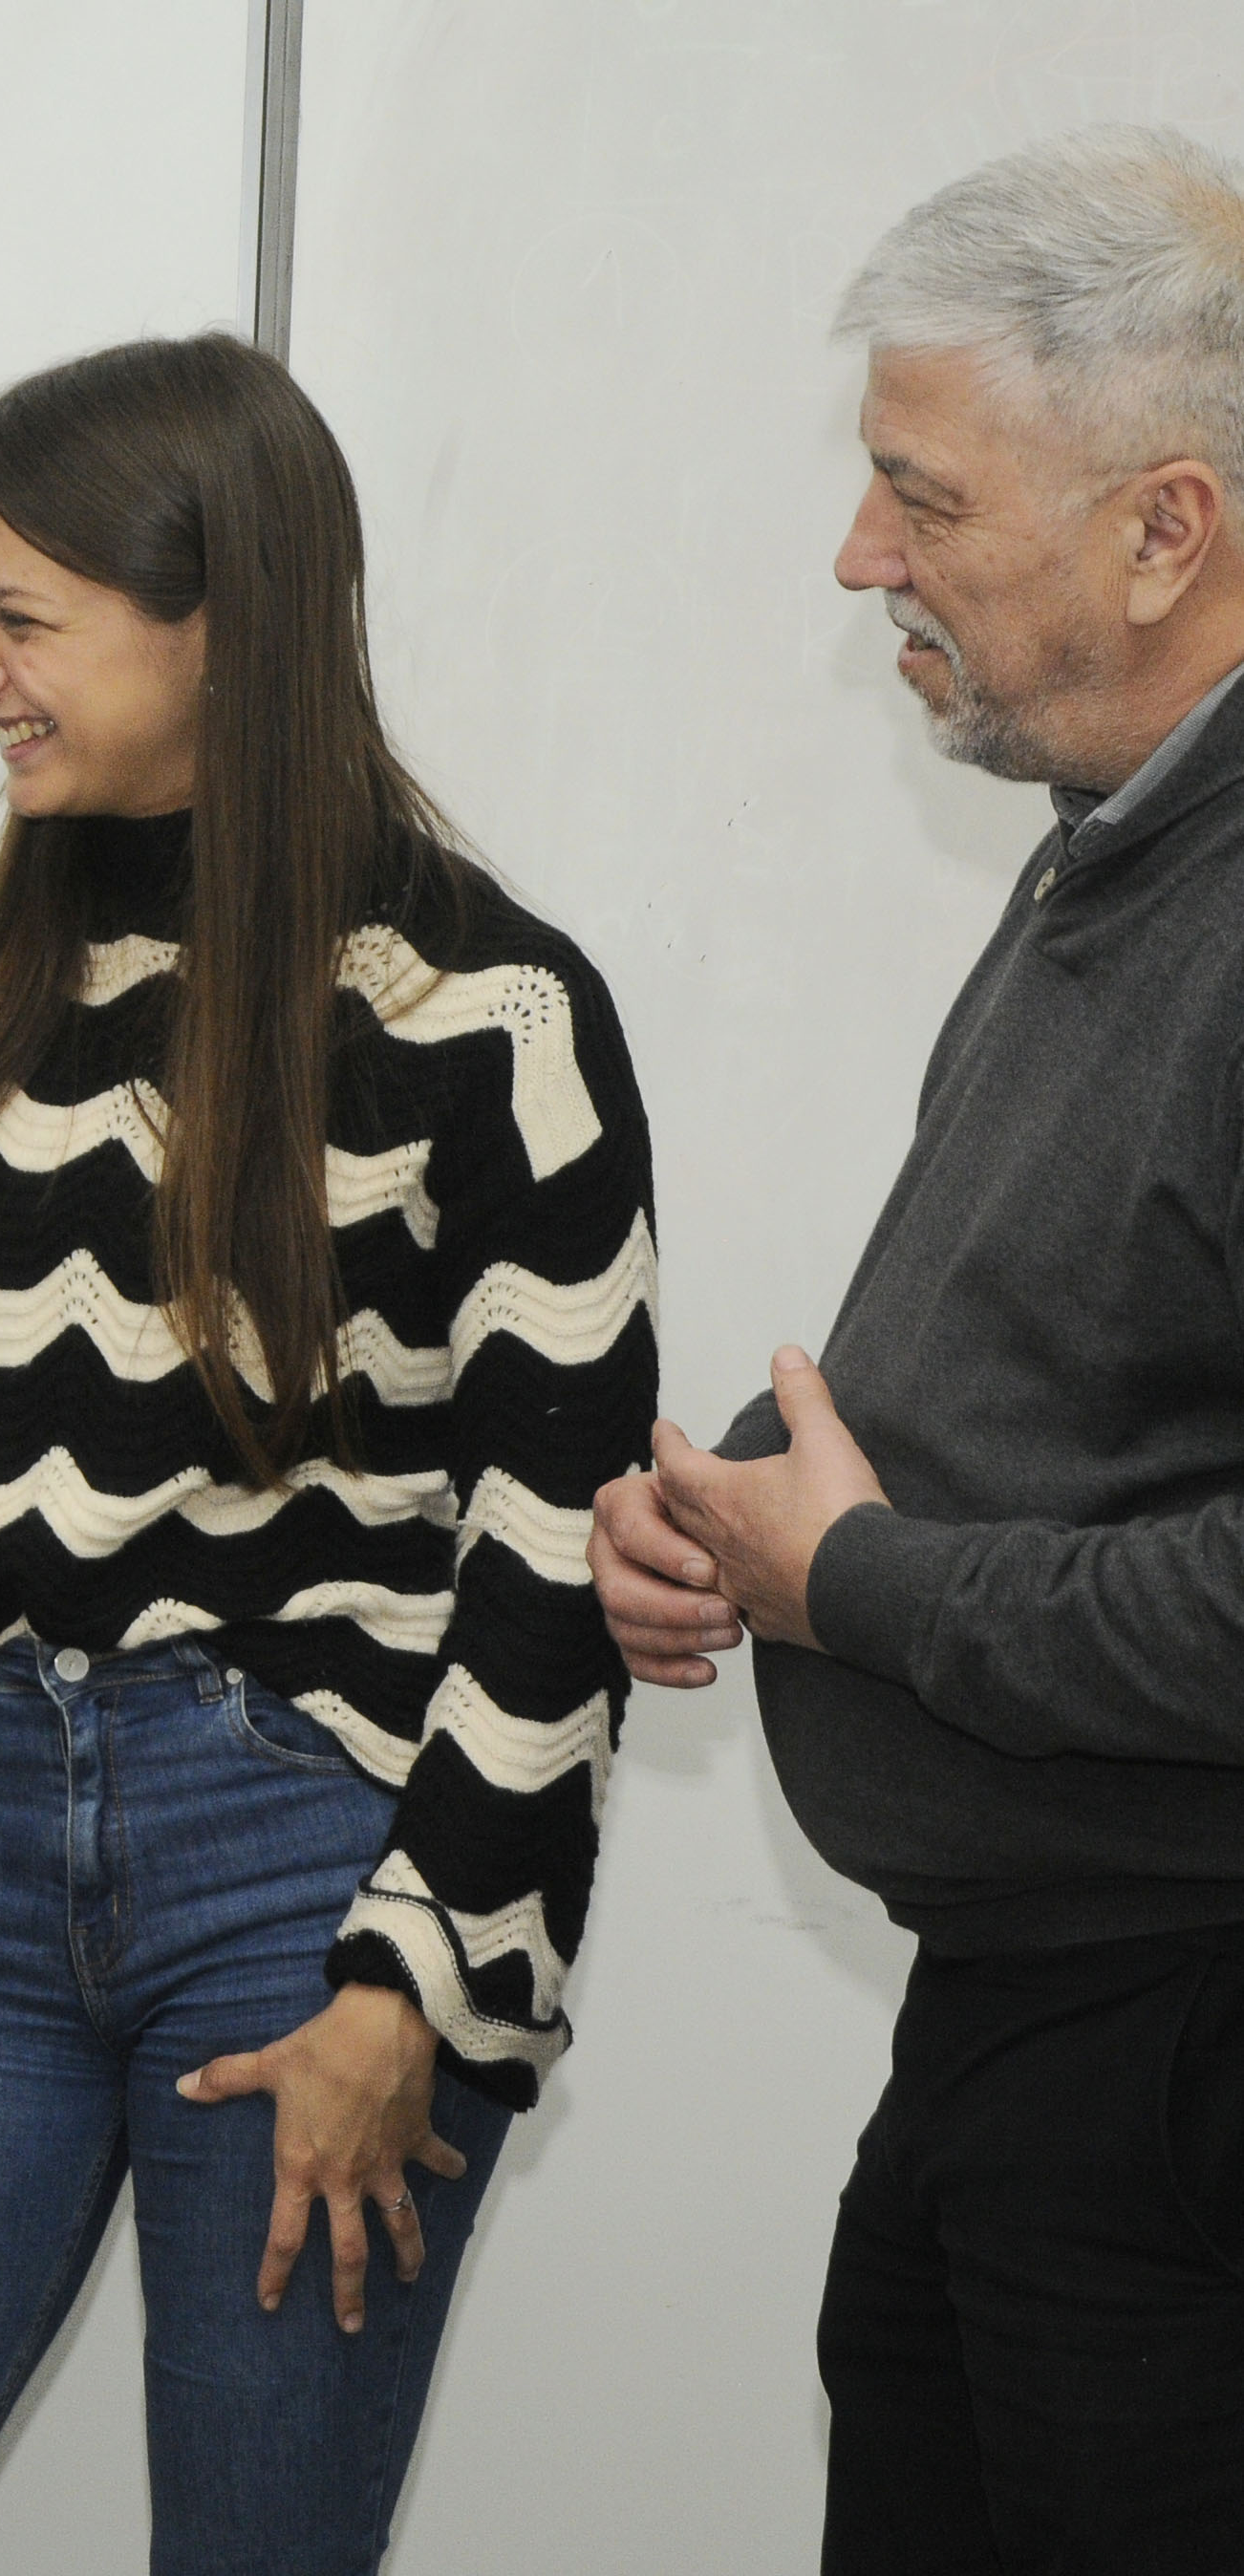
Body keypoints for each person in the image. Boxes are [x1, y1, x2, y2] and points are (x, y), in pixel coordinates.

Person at [0, 334, 657, 2575]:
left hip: (308, 1869)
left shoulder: (486, 1010)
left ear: (220, 623)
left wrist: (410, 1979)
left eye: (18, 618)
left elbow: (551, 1549)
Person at [591, 127, 1244, 2574]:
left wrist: (850, 1580)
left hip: (1171, 2063)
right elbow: (1069, 1360)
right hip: (1025, 2028)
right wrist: (734, 1508)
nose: (860, 555)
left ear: (1161, 528)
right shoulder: (1116, 846)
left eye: (921, 496)